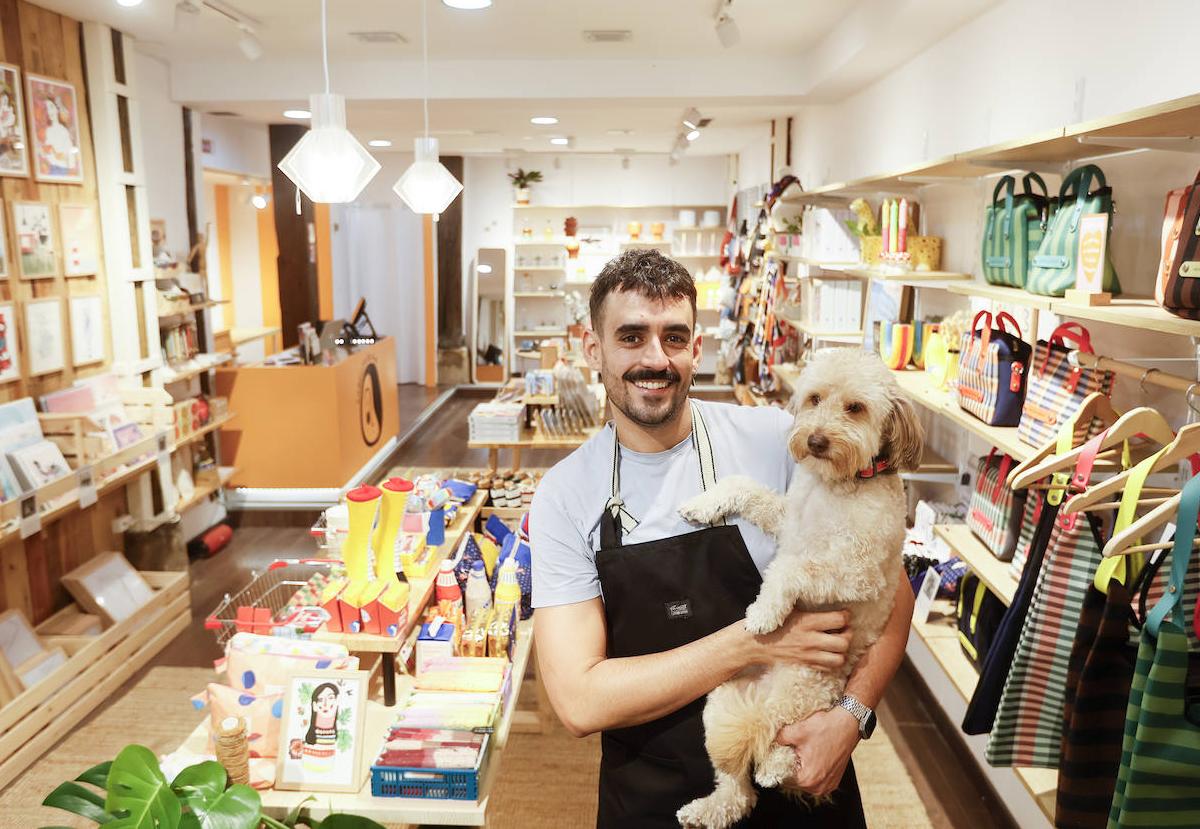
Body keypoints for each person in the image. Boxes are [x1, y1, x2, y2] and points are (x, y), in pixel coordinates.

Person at [530, 249, 914, 827]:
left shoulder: (782, 441)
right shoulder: (565, 496)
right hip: (656, 796)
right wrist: (753, 644)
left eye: (674, 336)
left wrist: (850, 717)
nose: (655, 358)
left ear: (696, 349)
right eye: (631, 336)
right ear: (593, 348)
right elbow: (580, 702)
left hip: (800, 770)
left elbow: (892, 589)